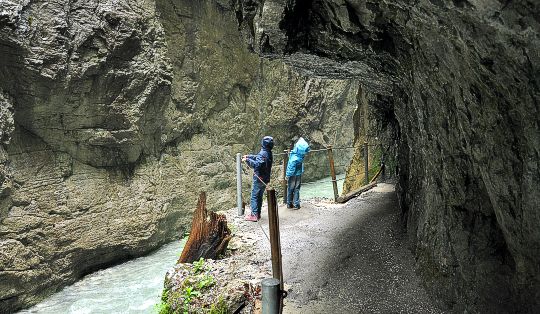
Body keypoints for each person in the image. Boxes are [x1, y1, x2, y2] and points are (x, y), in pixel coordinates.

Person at [242, 136, 274, 221]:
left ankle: (254, 215)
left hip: (259, 178)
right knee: (259, 196)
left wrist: (247, 160)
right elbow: (259, 158)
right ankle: (257, 214)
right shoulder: (268, 152)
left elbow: (257, 165)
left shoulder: (263, 153)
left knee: (254, 196)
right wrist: (249, 156)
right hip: (265, 178)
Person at [286, 137, 310, 209]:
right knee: (296, 189)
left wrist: (287, 175)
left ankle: (289, 204)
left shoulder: (294, 157)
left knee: (290, 189)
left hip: (292, 176)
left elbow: (290, 168)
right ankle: (296, 204)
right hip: (298, 174)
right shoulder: (301, 156)